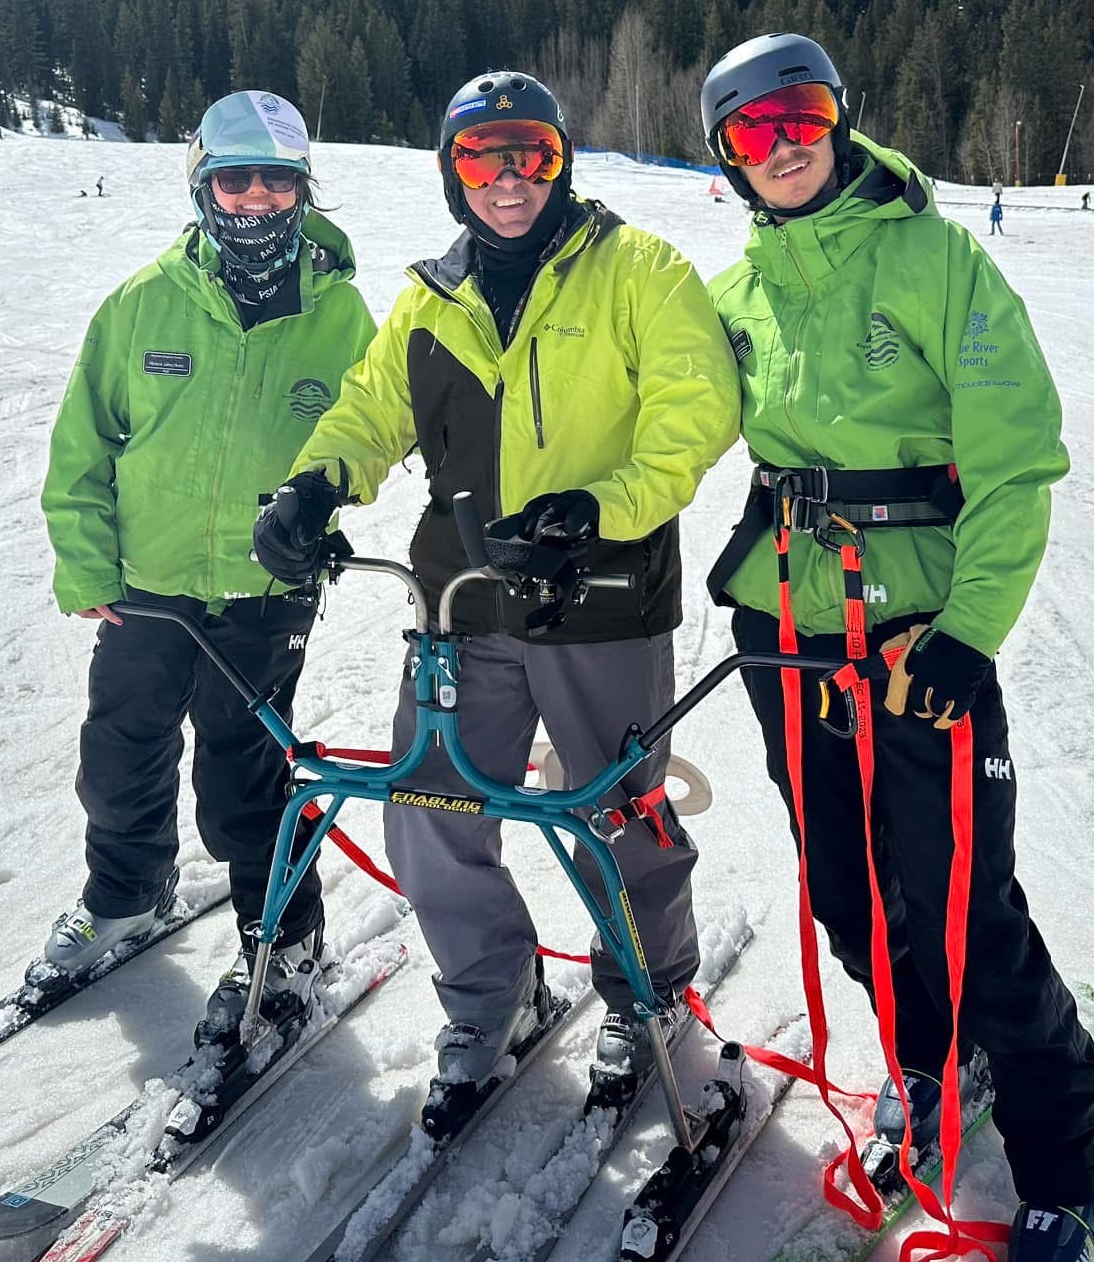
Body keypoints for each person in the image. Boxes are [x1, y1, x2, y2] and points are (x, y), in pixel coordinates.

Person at [252, 69, 738, 1137]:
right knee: (427, 806)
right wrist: (313, 485)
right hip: (461, 603)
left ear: (561, 162)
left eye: (532, 155)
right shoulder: (430, 298)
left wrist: (600, 509)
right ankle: (492, 995)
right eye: (481, 159)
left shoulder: (638, 271)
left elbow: (694, 412)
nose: (508, 180)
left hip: (598, 591)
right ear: (451, 173)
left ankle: (646, 992)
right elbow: (368, 410)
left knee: (619, 813)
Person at [698, 33, 1094, 1262]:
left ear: (838, 117)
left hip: (914, 633)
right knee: (845, 890)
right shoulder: (732, 296)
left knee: (958, 908)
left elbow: (1015, 459)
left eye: (800, 114)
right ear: (726, 156)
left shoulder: (937, 259)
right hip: (788, 628)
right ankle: (935, 1062)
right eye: (752, 130)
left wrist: (967, 633)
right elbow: (660, 417)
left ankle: (1069, 1162)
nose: (783, 144)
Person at [39, 90, 376, 1041]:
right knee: (120, 754)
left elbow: (372, 437)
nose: (257, 198)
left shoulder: (340, 316)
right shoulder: (143, 304)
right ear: (203, 187)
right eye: (236, 180)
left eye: (278, 181)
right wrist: (87, 569)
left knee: (246, 781)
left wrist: (327, 507)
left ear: (303, 191)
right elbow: (83, 447)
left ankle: (288, 940)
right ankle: (126, 894)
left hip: (265, 593)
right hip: (147, 587)